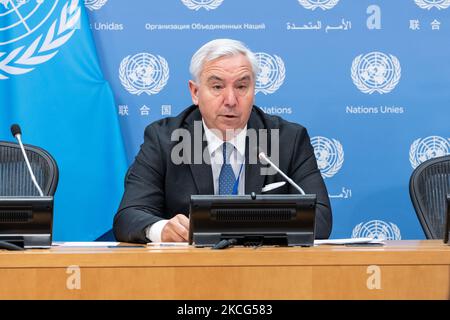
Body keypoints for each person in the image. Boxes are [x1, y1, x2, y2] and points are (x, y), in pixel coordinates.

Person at [113, 39, 332, 243]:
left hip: (265, 274)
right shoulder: (164, 139)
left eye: (241, 87)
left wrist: (241, 228)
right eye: (217, 87)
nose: (230, 100)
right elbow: (128, 217)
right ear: (195, 92)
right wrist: (162, 229)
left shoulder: (287, 139)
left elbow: (320, 220)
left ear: (253, 90)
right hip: (189, 275)